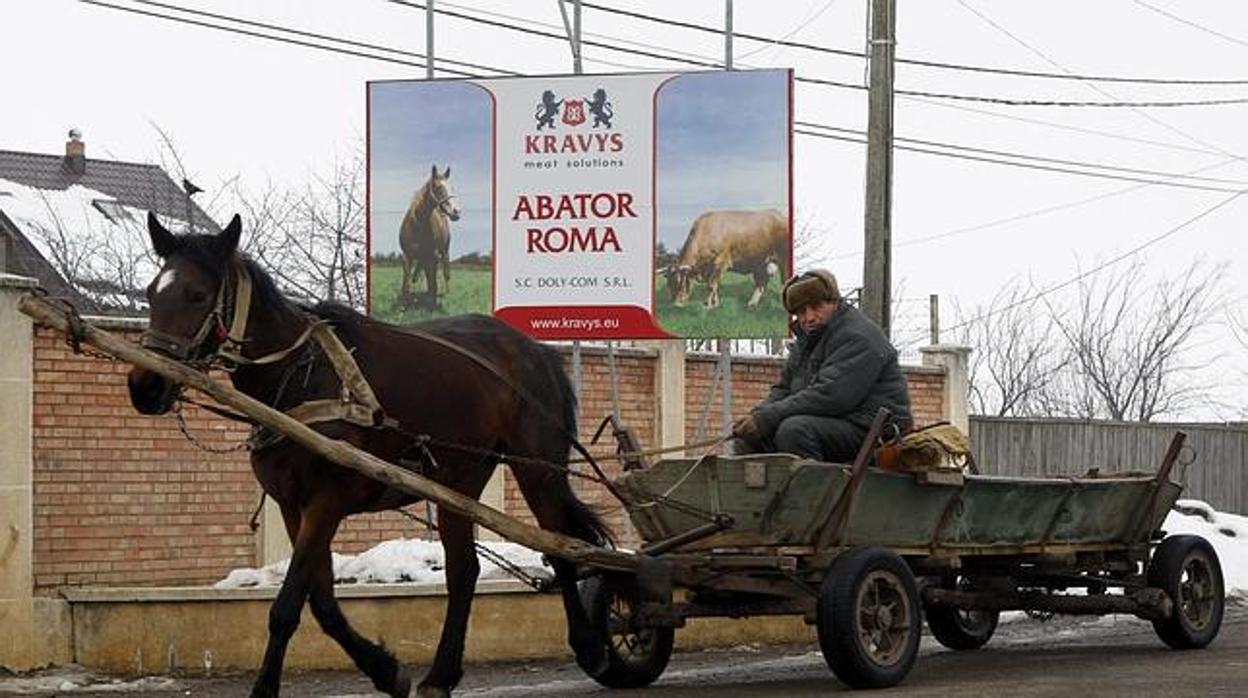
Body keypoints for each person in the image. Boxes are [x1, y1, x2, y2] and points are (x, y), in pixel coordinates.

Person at [730, 269, 912, 462]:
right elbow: (784, 389)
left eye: (816, 307)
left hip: (874, 431)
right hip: (837, 421)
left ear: (833, 302)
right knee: (749, 438)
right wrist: (757, 417)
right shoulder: (808, 340)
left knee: (794, 431)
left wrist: (767, 418)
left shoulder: (857, 336)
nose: (809, 317)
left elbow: (831, 396)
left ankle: (815, 492)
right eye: (801, 311)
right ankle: (759, 492)